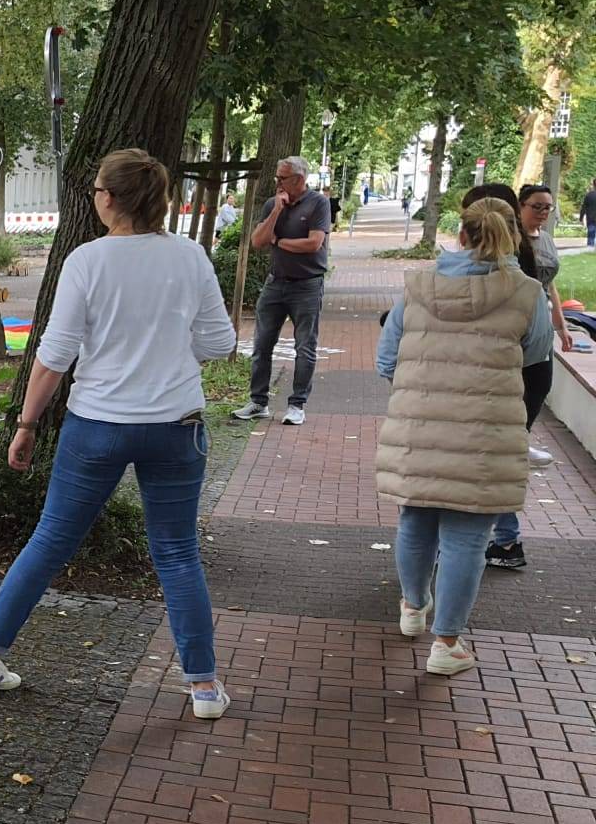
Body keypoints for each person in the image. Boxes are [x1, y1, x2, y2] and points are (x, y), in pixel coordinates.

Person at [0, 149, 238, 720]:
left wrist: (28, 423)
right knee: (178, 553)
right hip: (175, 427)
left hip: (98, 425)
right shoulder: (190, 257)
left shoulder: (86, 261)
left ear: (109, 199)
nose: (92, 198)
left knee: (50, 541)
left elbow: (55, 357)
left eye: (94, 190)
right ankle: (204, 687)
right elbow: (220, 343)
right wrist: (167, 355)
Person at [375, 197, 548, 676]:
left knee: (415, 519)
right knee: (468, 540)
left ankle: (413, 607)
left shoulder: (417, 286)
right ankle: (445, 644)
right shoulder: (527, 292)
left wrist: (419, 390)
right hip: (486, 435)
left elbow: (386, 359)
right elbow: (535, 356)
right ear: (511, 236)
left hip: (418, 426)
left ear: (462, 235)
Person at [484, 183, 578, 570]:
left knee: (497, 452)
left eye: (548, 207)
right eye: (537, 206)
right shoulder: (512, 259)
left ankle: (503, 540)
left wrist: (561, 324)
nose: (543, 213)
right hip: (527, 357)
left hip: (530, 360)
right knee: (500, 451)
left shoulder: (521, 262)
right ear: (519, 209)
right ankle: (506, 539)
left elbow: (548, 286)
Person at [233, 156, 332, 425]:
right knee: (262, 344)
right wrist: (276, 211)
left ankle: (297, 404)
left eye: (282, 178)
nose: (277, 182)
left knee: (305, 347)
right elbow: (257, 241)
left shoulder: (318, 204)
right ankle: (258, 401)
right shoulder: (271, 204)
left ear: (299, 179)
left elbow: (313, 244)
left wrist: (279, 241)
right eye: (277, 177)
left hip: (307, 285)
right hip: (275, 283)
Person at [580, 179, 596, 249]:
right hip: (591, 219)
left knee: (590, 237)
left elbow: (583, 207)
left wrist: (581, 218)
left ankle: (590, 250)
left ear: (594, 185)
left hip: (591, 219)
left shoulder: (589, 195)